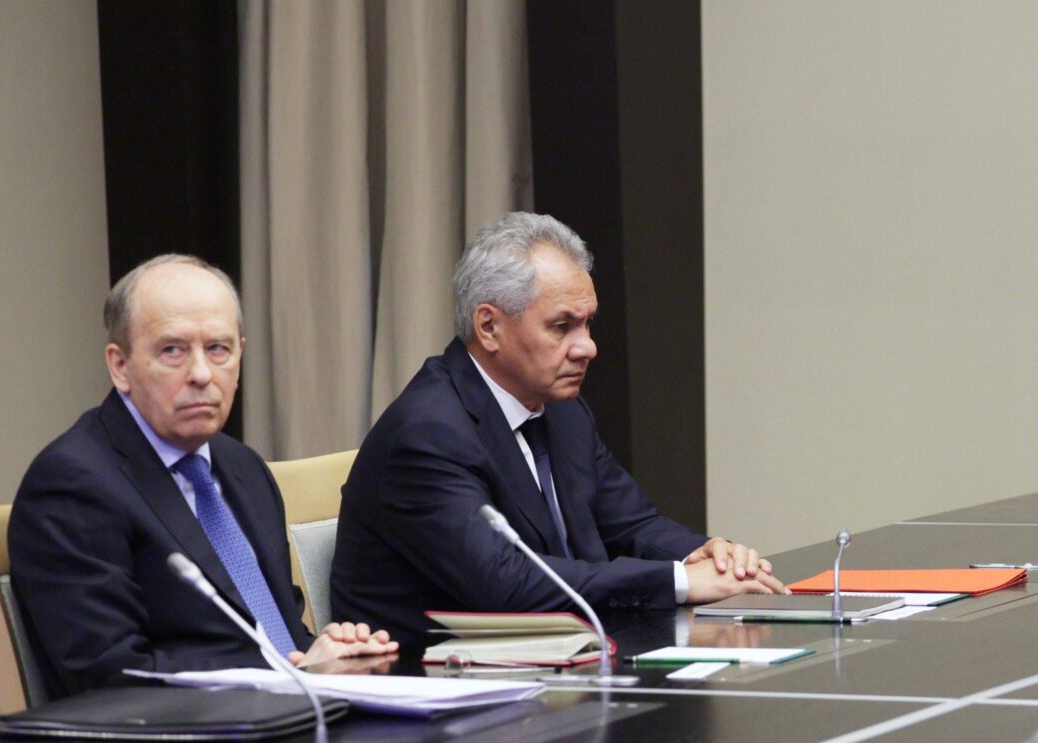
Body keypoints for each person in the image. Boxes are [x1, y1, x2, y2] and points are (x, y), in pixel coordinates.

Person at [329, 212, 784, 642]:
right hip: (437, 689)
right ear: (488, 326)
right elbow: (506, 582)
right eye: (562, 326)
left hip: (555, 664)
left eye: (587, 324)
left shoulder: (562, 410)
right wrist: (682, 581)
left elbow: (631, 522)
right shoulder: (427, 433)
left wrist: (705, 555)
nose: (587, 347)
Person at [8, 255, 395, 699]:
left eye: (218, 349)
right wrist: (288, 676)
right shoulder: (71, 484)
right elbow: (112, 676)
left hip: (290, 723)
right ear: (120, 367)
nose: (200, 374)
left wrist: (324, 656)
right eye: (172, 350)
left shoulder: (242, 467)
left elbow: (276, 634)